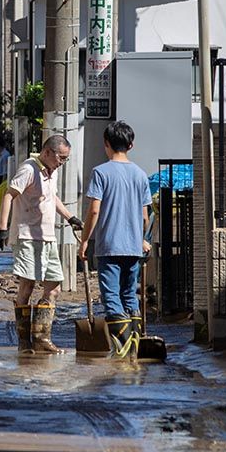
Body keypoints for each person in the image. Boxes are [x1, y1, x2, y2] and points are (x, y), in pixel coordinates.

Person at [0, 134, 82, 354]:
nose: (62, 163)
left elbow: (52, 198)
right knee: (27, 285)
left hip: (47, 236)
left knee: (54, 287)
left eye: (65, 159)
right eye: (61, 158)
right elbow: (9, 196)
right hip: (27, 236)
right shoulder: (29, 169)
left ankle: (41, 337)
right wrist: (2, 228)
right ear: (47, 152)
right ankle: (24, 341)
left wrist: (70, 218)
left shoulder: (52, 171)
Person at [77, 120, 152, 359]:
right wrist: (141, 239)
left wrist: (85, 240)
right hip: (133, 247)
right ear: (131, 145)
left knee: (111, 296)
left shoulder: (101, 172)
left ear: (106, 143)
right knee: (129, 294)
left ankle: (124, 346)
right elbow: (145, 217)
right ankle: (135, 345)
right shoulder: (140, 175)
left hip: (109, 246)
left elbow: (94, 210)